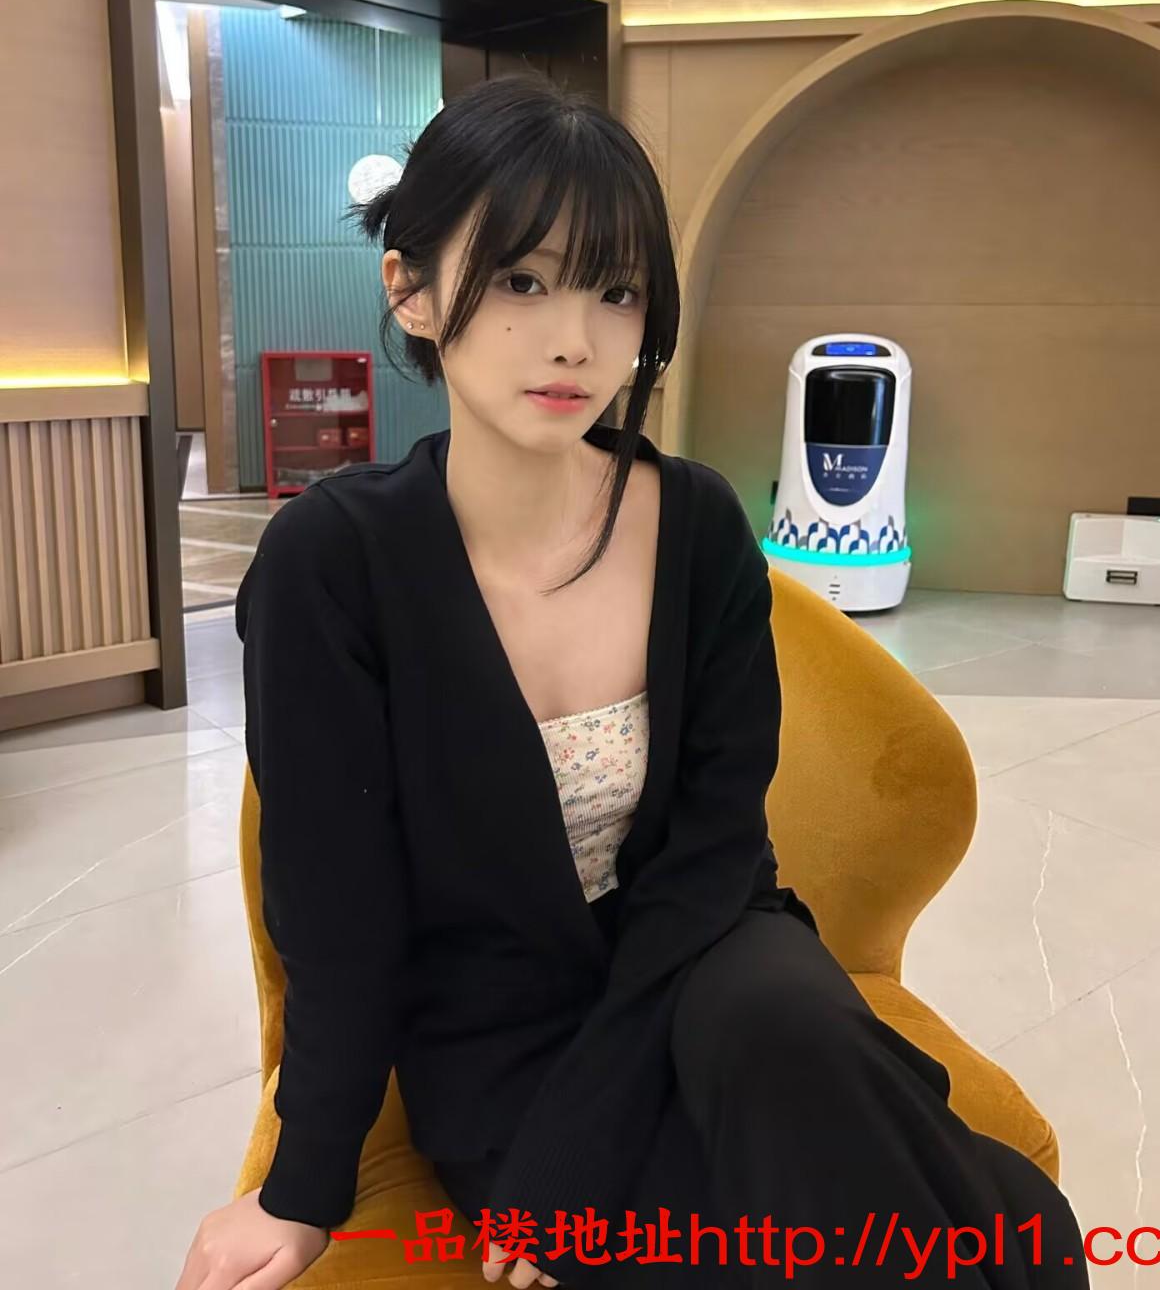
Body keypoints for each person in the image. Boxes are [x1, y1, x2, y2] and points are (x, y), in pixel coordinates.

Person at [175, 76, 1089, 1290]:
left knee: (782, 1021)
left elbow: (716, 847)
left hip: (711, 958)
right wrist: (303, 1188)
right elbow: (337, 914)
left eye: (616, 291)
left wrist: (581, 1147)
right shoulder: (332, 566)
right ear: (410, 286)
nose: (577, 339)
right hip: (502, 1034)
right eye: (522, 280)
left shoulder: (696, 522)